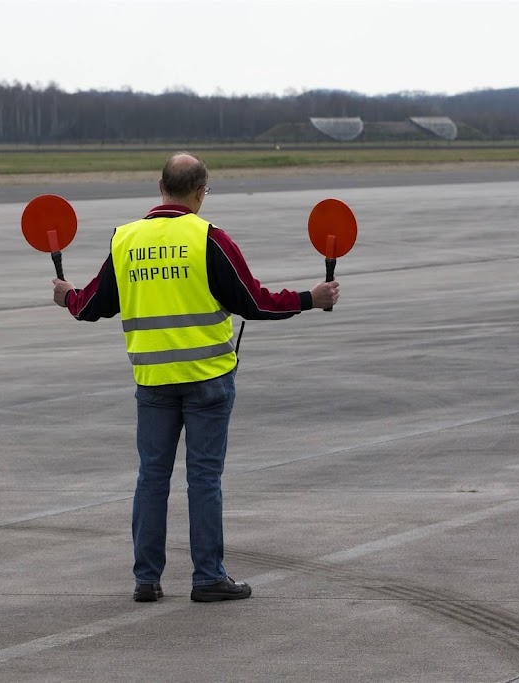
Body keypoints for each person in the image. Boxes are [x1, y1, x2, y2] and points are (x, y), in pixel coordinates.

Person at [51, 152, 340, 603]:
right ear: (201, 192)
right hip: (208, 379)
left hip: (153, 381)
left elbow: (92, 306)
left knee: (152, 477)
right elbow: (255, 302)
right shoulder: (209, 238)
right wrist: (311, 297)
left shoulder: (125, 240)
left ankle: (146, 579)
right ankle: (207, 577)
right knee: (203, 478)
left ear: (160, 186)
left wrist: (67, 297)